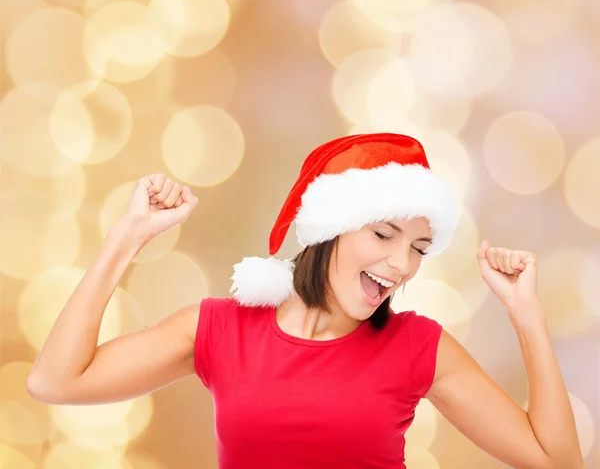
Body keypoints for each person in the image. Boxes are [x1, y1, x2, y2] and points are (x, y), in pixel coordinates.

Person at [27, 133, 584, 469]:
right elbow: (54, 382)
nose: (401, 265)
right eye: (384, 235)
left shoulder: (417, 347)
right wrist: (129, 236)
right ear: (329, 231)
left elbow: (555, 460)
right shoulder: (222, 329)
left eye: (417, 247)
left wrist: (526, 314)